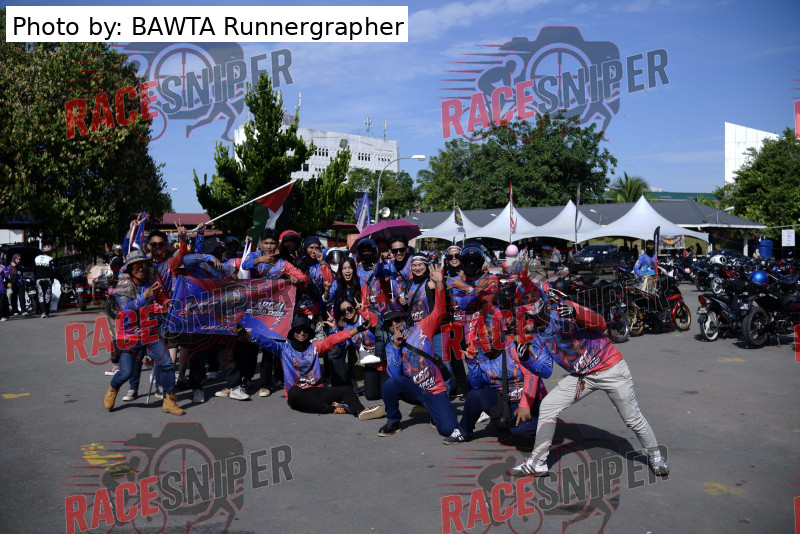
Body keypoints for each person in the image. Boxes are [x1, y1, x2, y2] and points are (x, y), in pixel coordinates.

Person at [509, 287, 669, 477]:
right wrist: (527, 358)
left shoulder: (563, 308)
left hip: (610, 369)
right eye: (526, 312)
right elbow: (546, 370)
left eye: (532, 308)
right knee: (548, 406)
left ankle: (655, 456)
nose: (532, 317)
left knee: (632, 418)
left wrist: (577, 314)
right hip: (582, 377)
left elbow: (601, 323)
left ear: (542, 302)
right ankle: (537, 463)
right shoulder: (536, 334)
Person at [377, 265, 468, 444]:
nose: (395, 325)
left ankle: (435, 411)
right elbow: (394, 377)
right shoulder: (390, 346)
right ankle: (393, 421)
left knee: (448, 429)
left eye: (397, 319)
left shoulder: (421, 327)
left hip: (435, 389)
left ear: (403, 318)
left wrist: (439, 285)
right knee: (390, 384)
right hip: (414, 390)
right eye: (389, 323)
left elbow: (440, 311)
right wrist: (396, 346)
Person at [238, 316, 385, 420]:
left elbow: (334, 339)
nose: (302, 333)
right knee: (294, 392)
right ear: (293, 333)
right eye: (298, 330)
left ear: (309, 333)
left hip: (317, 391)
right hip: (298, 396)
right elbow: (263, 341)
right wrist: (244, 334)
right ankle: (333, 408)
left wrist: (358, 329)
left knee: (347, 390)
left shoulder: (315, 347)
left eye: (305, 330)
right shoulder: (283, 349)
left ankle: (360, 411)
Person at [103, 250, 185, 415]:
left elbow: (160, 297)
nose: (141, 269)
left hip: (150, 332)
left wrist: (168, 302)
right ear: (130, 270)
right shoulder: (123, 284)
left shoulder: (151, 280)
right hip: (130, 335)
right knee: (125, 373)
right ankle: (113, 388)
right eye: (136, 266)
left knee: (167, 363)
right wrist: (144, 297)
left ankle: (169, 400)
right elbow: (125, 310)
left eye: (143, 265)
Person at [459, 312, 549, 441]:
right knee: (475, 395)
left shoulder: (514, 346)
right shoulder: (479, 353)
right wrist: (472, 363)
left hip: (529, 400)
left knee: (523, 433)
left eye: (489, 332)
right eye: (481, 334)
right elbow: (476, 385)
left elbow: (532, 375)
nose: (486, 337)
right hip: (504, 402)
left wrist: (525, 405)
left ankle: (542, 425)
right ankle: (463, 432)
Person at [34, 244, 56, 318]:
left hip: (38, 280)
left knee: (40, 295)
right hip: (47, 280)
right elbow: (53, 271)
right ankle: (46, 312)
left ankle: (43, 312)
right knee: (47, 296)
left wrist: (36, 277)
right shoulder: (50, 259)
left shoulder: (36, 258)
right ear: (49, 252)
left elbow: (34, 269)